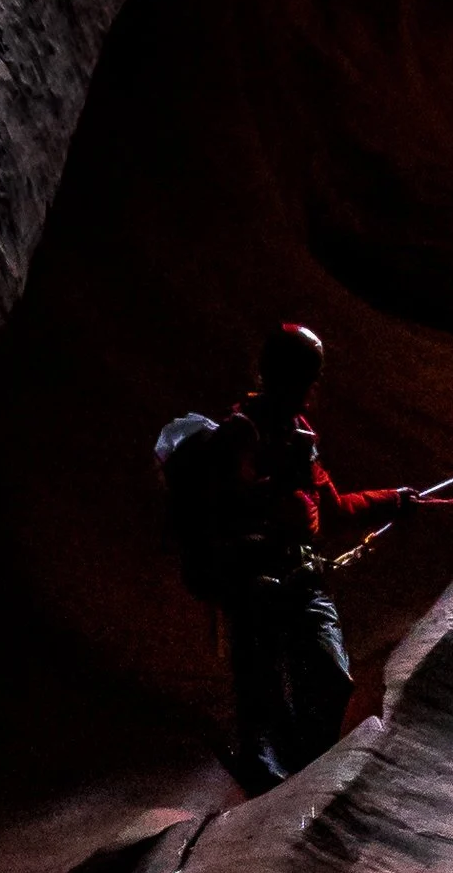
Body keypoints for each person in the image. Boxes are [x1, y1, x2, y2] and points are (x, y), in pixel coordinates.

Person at [156, 323, 410, 793]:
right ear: (281, 376)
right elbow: (229, 508)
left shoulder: (300, 436)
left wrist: (394, 500)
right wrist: (275, 489)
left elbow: (332, 510)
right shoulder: (239, 435)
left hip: (302, 579)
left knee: (333, 679)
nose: (310, 388)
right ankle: (271, 778)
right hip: (252, 584)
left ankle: (300, 775)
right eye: (304, 376)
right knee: (261, 693)